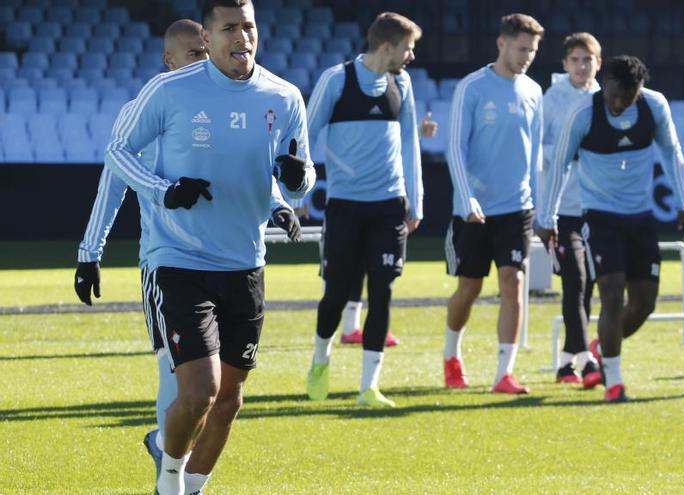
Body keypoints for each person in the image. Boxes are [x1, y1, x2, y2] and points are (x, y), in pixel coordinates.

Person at [104, 1, 314, 493]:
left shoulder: (284, 97)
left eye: (249, 26)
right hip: (179, 259)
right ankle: (169, 482)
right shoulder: (170, 90)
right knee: (201, 390)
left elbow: (302, 175)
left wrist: (296, 181)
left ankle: (191, 485)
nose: (242, 37)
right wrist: (163, 191)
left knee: (229, 402)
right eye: (229, 28)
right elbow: (118, 151)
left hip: (245, 263)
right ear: (209, 34)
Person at [536, 55, 684, 403]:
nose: (617, 103)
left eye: (626, 96)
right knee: (611, 292)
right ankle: (615, 381)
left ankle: (601, 347)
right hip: (599, 216)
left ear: (639, 91)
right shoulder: (583, 113)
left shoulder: (654, 107)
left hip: (639, 217)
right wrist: (547, 219)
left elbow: (671, 152)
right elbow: (560, 164)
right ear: (603, 84)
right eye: (612, 94)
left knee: (644, 304)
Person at [303, 12, 423, 408]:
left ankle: (368, 386)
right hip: (345, 208)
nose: (412, 56)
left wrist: (414, 199)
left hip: (389, 206)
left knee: (383, 291)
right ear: (387, 47)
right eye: (408, 48)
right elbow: (305, 133)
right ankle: (321, 359)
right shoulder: (336, 80)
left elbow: (410, 145)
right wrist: (297, 189)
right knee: (336, 293)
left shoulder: (401, 83)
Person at [443, 13, 544, 394]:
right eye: (522, 49)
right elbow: (455, 147)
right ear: (502, 43)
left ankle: (504, 373)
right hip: (473, 210)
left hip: (517, 207)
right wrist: (466, 196)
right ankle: (452, 354)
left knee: (513, 282)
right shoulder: (472, 87)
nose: (527, 57)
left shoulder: (534, 91)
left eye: (532, 51)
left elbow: (534, 156)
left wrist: (540, 206)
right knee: (468, 288)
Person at [337, 111, 438, 347]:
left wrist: (419, 133)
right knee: (356, 266)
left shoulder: (391, 104)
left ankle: (355, 327)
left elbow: (397, 141)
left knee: (376, 268)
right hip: (362, 196)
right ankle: (348, 328)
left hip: (386, 197)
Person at [540, 32, 603, 388]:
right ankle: (587, 359)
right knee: (574, 282)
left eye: (588, 59)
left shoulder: (603, 100)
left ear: (599, 63)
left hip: (595, 206)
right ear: (565, 64)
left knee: (589, 284)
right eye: (575, 60)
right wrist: (566, 153)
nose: (582, 66)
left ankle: (567, 363)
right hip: (562, 207)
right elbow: (537, 149)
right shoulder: (552, 100)